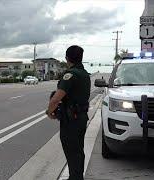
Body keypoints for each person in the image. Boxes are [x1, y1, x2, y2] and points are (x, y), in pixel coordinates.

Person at [46, 45, 90, 180]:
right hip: (81, 118)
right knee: (78, 151)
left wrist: (49, 112)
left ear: (67, 58)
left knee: (72, 152)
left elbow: (56, 99)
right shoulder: (84, 74)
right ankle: (77, 176)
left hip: (71, 120)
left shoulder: (70, 75)